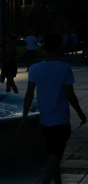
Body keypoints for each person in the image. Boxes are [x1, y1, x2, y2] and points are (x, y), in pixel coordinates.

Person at [17, 33, 86, 184]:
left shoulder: (35, 69)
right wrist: (81, 114)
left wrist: (24, 118)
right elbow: (70, 95)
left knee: (53, 155)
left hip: (45, 121)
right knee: (56, 155)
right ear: (58, 48)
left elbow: (29, 94)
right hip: (61, 120)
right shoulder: (64, 68)